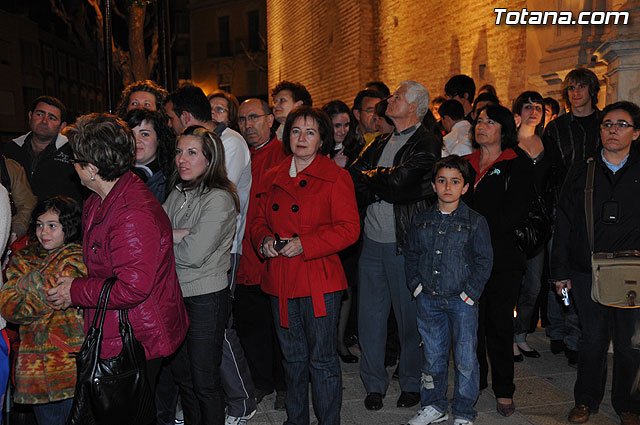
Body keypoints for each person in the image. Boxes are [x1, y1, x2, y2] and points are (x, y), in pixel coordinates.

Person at [44, 113, 189, 423]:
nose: (73, 166)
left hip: (136, 334)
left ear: (92, 169)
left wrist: (75, 290)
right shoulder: (103, 196)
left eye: (76, 160)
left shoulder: (130, 213)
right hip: (118, 325)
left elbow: (133, 287)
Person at [250, 106, 360, 425]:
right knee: (293, 360)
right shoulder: (272, 176)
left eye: (310, 132)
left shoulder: (335, 177)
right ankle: (295, 420)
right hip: (281, 279)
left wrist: (306, 244)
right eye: (296, 130)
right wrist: (264, 240)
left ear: (322, 139)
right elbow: (257, 220)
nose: (302, 138)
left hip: (319, 280)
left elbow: (349, 228)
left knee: (322, 360)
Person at [349, 80, 441, 411]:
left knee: (409, 318)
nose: (390, 99)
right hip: (372, 242)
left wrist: (378, 182)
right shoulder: (380, 140)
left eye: (397, 97)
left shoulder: (427, 141)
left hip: (405, 244)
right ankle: (374, 383)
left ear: (415, 107)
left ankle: (412, 382)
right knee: (370, 319)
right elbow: (354, 176)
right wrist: (382, 182)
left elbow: (403, 182)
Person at [551, 101, 640, 425]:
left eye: (621, 124)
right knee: (592, 341)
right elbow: (563, 224)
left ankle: (629, 405)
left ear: (636, 132)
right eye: (607, 124)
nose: (612, 129)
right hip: (587, 270)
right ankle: (586, 400)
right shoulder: (581, 171)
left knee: (631, 344)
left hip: (634, 272)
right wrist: (559, 271)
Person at [405, 155, 493, 425]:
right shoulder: (420, 220)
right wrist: (416, 286)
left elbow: (484, 260)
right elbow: (411, 254)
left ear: (465, 187)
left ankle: (465, 411)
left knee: (466, 359)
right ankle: (434, 405)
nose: (447, 187)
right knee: (433, 357)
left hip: (462, 301)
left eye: (455, 182)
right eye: (442, 181)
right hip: (429, 300)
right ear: (433, 185)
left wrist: (470, 294)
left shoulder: (475, 221)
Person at [163, 125, 239, 424]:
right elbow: (152, 235)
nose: (182, 159)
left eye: (191, 153)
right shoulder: (179, 191)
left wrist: (173, 239)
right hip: (176, 295)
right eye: (179, 152)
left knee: (204, 380)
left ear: (210, 159)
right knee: (184, 377)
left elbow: (193, 255)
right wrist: (177, 234)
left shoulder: (218, 198)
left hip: (205, 298)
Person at [466, 104, 535, 417]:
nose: (482, 125)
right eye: (479, 120)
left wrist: (476, 234)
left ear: (504, 129)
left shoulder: (516, 163)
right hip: (467, 260)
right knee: (470, 326)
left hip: (502, 259)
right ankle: (475, 381)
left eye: (490, 121)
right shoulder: (465, 164)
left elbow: (513, 213)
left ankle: (504, 390)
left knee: (499, 326)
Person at [0, 197, 86, 425]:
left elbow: (60, 294)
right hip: (33, 371)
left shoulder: (77, 255)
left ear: (68, 227)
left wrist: (24, 284)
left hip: (67, 366)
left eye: (52, 225)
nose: (43, 232)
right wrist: (44, 286)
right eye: (39, 225)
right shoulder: (23, 257)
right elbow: (9, 307)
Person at [543, 67, 601, 365]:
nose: (575, 93)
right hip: (561, 206)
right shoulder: (556, 128)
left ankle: (578, 336)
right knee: (559, 268)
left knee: (585, 272)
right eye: (571, 88)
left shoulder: (605, 123)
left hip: (596, 209)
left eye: (581, 87)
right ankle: (559, 330)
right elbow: (549, 169)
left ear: (592, 90)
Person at [235, 98, 288, 409]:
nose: (248, 124)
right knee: (250, 326)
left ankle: (285, 385)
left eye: (254, 117)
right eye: (242, 119)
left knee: (279, 327)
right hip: (243, 257)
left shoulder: (283, 154)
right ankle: (261, 382)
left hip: (271, 255)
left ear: (271, 120)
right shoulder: (238, 154)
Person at [511, 91, 552, 362]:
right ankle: (506, 338)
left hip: (539, 223)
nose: (533, 111)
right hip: (513, 220)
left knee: (534, 284)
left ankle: (520, 335)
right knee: (510, 282)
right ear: (518, 113)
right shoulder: (509, 144)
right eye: (528, 106)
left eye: (538, 107)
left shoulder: (548, 143)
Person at [322, 100, 363, 364]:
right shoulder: (316, 148)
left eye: (347, 124)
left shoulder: (357, 148)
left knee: (347, 285)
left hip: (347, 225)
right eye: (337, 125)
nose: (342, 130)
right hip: (322, 226)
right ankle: (326, 340)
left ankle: (340, 340)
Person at [3, 96, 83, 202]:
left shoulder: (74, 152)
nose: (44, 121)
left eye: (52, 118)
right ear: (30, 116)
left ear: (62, 126)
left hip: (60, 217)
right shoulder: (11, 150)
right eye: (39, 114)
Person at [124, 108, 175, 203]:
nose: (136, 140)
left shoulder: (172, 180)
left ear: (159, 139)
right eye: (131, 134)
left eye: (144, 134)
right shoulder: (113, 174)